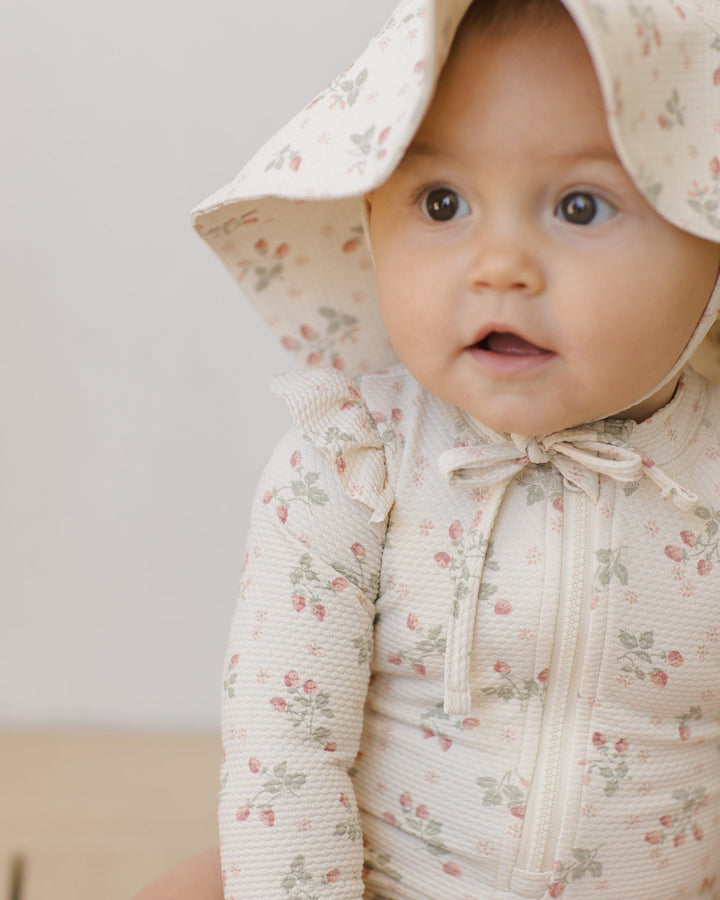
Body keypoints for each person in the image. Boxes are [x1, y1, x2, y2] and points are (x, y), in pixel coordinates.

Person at [137, 0, 720, 896]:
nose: (499, 265)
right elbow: (283, 747)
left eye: (579, 204)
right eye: (442, 202)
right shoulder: (351, 470)